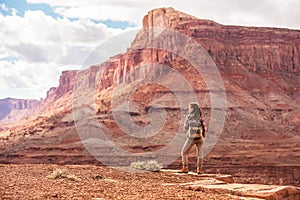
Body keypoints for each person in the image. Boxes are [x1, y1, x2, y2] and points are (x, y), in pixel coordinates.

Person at [180, 102, 206, 174]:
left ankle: (185, 168)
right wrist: (203, 135)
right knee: (200, 154)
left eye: (190, 108)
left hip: (191, 138)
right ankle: (199, 169)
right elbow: (204, 127)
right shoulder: (200, 117)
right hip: (200, 138)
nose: (189, 109)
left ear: (193, 109)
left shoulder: (189, 116)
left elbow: (186, 127)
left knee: (184, 152)